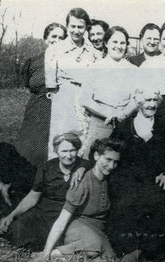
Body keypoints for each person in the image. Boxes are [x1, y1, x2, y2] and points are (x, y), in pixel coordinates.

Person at [107, 88, 165, 262]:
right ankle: (130, 250)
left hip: (155, 179)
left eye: (155, 101)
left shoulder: (163, 126)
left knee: (158, 203)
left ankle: (148, 251)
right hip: (128, 180)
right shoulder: (124, 127)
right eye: (148, 100)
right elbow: (112, 151)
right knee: (126, 203)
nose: (152, 104)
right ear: (138, 102)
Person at [32, 138, 125, 262]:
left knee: (109, 258)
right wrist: (46, 251)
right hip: (78, 227)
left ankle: (69, 257)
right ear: (96, 155)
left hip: (97, 229)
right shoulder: (82, 182)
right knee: (93, 246)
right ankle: (50, 254)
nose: (111, 166)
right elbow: (61, 220)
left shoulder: (110, 179)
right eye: (108, 160)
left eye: (115, 162)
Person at [0, 133, 91, 250]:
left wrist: (83, 168)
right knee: (20, 228)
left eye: (73, 150)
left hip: (67, 215)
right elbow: (33, 196)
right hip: (43, 213)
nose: (69, 155)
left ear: (78, 150)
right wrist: (12, 214)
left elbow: (96, 167)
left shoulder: (86, 166)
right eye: (64, 151)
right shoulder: (47, 168)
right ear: (56, 151)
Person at [45, 7, 101, 159]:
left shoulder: (95, 53)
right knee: (62, 141)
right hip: (64, 101)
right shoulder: (54, 50)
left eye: (80, 27)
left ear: (86, 28)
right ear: (68, 26)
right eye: (73, 26)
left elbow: (98, 80)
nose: (76, 30)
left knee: (85, 140)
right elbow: (51, 84)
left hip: (88, 100)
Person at [80, 26, 138, 159]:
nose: (119, 46)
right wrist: (109, 114)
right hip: (100, 123)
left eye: (122, 43)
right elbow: (85, 99)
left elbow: (137, 98)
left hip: (124, 125)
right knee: (93, 162)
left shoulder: (133, 70)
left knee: (122, 163)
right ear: (106, 43)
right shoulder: (94, 67)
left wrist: (121, 115)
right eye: (115, 42)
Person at [16, 23, 67, 167]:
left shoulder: (68, 63)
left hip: (58, 111)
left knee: (50, 151)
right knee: (27, 150)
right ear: (46, 39)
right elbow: (28, 85)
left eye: (62, 38)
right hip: (35, 110)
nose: (57, 40)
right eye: (54, 36)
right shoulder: (33, 62)